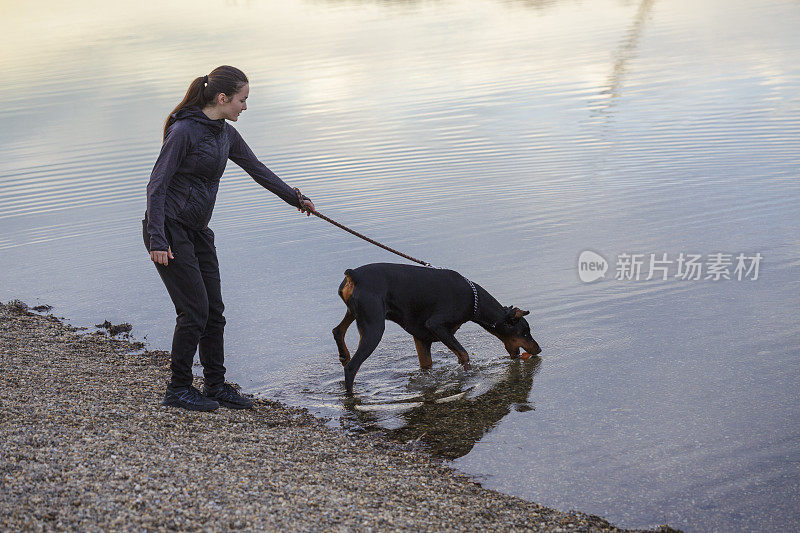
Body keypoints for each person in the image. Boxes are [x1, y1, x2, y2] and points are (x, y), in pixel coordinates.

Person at [143, 65, 314, 412]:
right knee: (194, 311)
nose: (244, 107)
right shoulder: (184, 132)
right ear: (222, 99)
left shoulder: (225, 134)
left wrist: (294, 197)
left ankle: (216, 385)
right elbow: (156, 186)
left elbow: (257, 168)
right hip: (170, 231)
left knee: (214, 311)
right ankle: (177, 390)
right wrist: (158, 240)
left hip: (198, 231)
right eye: (242, 100)